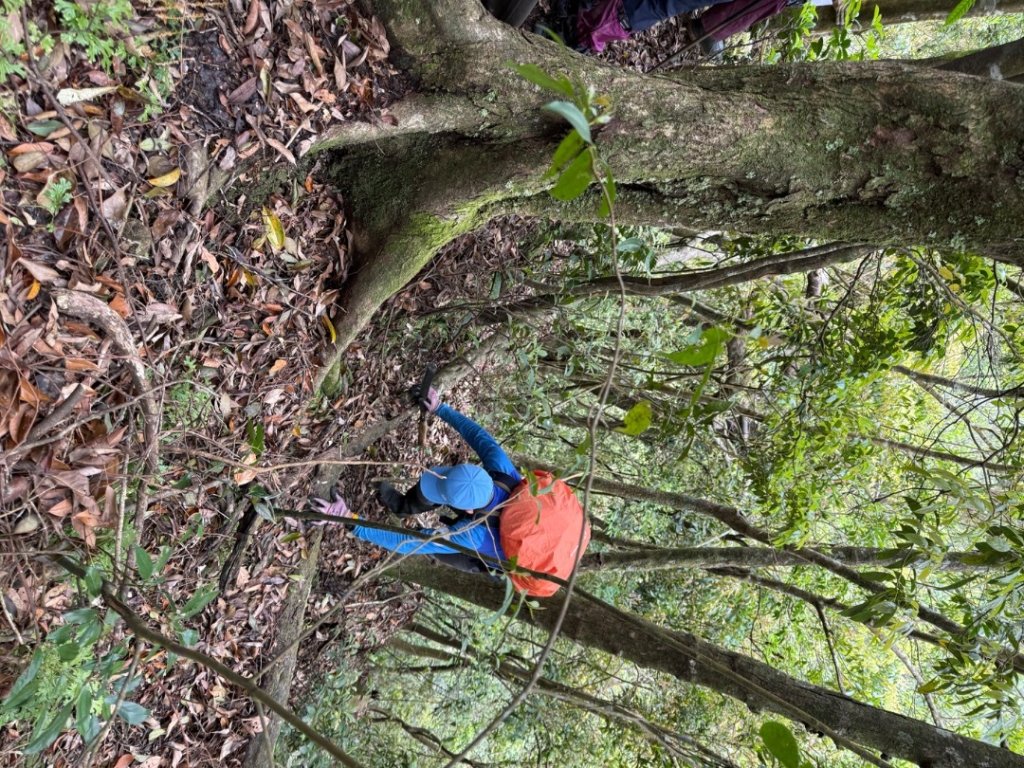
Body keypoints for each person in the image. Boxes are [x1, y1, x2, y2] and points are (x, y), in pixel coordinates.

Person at [312, 388, 523, 574]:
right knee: (426, 493)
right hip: (482, 516)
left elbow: (409, 541)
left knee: (440, 550)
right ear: (484, 473)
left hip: (479, 555)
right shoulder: (503, 473)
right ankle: (401, 507)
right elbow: (478, 436)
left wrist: (348, 519)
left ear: (468, 510)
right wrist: (439, 408)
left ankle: (420, 525)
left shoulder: (471, 536)